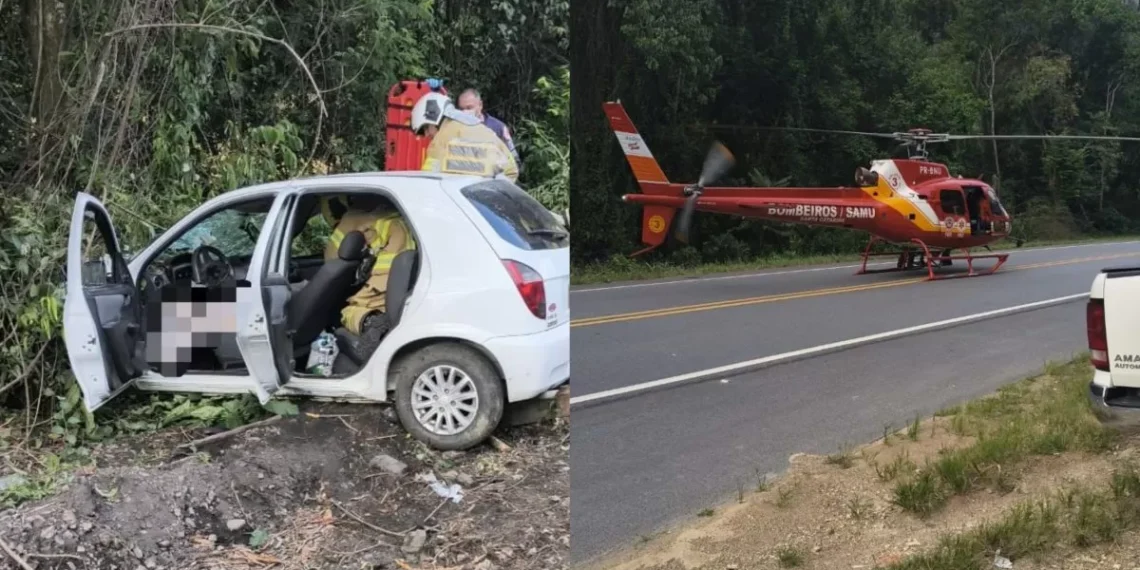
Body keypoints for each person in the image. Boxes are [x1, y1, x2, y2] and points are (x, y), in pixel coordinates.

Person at [319, 194, 416, 347]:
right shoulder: (403, 217)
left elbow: (332, 261)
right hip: (404, 287)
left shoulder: (351, 220)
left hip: (381, 285)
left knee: (348, 312)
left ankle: (370, 321)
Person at [410, 91, 519, 182]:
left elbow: (428, 180)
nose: (427, 134)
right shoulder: (481, 128)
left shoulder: (441, 139)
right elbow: (512, 169)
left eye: (426, 128)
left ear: (434, 118)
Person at [457, 88, 522, 170]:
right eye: (461, 109)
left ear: (480, 105)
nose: (465, 112)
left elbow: (515, 160)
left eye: (469, 108)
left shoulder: (498, 128)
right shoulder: (456, 127)